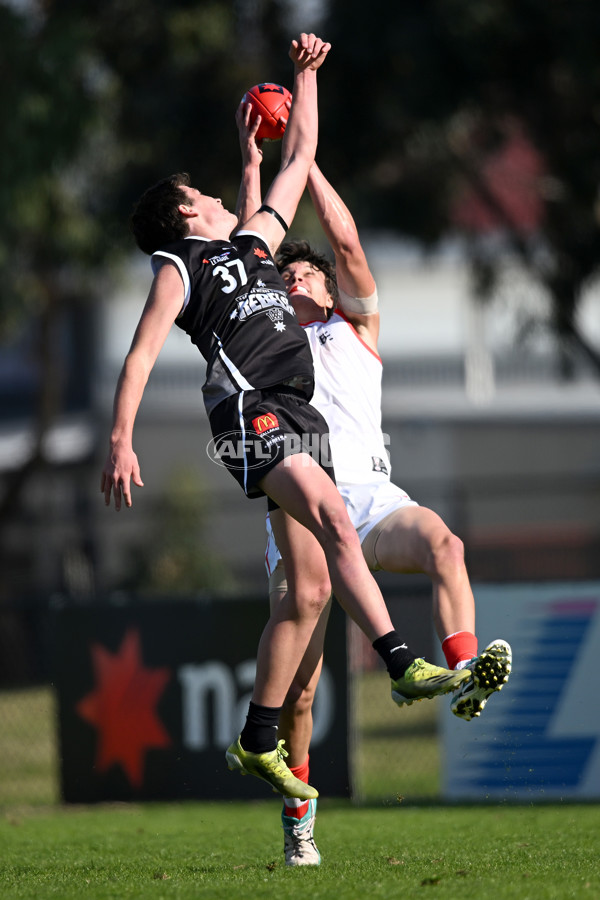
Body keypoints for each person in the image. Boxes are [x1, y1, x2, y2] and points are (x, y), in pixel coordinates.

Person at [101, 32, 469, 805]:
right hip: (249, 409)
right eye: (200, 194)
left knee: (305, 595)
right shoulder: (181, 264)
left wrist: (305, 79)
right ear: (183, 217)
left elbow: (298, 160)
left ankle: (257, 737)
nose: (214, 195)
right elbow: (138, 355)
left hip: (296, 414)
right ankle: (404, 664)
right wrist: (120, 437)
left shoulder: (252, 244)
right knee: (336, 519)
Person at [236, 117, 513, 863]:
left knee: (446, 544)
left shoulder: (355, 331)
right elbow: (244, 247)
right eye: (285, 277)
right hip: (300, 508)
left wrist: (310, 159)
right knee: (300, 692)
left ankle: (460, 675)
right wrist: (256, 160)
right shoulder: (267, 344)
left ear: (328, 288)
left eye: (308, 274)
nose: (296, 280)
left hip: (371, 497)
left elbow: (347, 239)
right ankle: (300, 826)